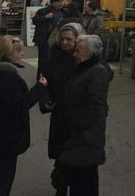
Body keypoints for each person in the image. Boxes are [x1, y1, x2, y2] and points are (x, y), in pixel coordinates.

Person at [0, 35, 48, 196]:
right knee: (3, 178)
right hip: (6, 137)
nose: (22, 54)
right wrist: (40, 87)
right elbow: (21, 105)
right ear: (8, 54)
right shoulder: (7, 79)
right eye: (19, 51)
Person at [57, 35, 110, 196]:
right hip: (78, 135)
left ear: (89, 53)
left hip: (86, 138)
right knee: (78, 180)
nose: (74, 54)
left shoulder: (96, 72)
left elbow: (96, 108)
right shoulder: (82, 68)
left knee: (85, 182)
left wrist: (78, 126)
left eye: (78, 51)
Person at [44, 23, 86, 196]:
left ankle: (74, 186)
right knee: (60, 153)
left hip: (78, 115)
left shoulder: (85, 58)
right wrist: (45, 99)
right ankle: (60, 187)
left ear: (78, 40)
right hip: (59, 113)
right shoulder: (54, 56)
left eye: (69, 39)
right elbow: (45, 80)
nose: (65, 42)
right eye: (62, 39)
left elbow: (103, 76)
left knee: (75, 155)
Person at [33, 0, 65, 78]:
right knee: (43, 61)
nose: (61, 4)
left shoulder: (64, 12)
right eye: (59, 2)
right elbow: (35, 20)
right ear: (53, 3)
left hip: (57, 41)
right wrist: (45, 17)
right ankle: (40, 78)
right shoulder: (43, 11)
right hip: (44, 40)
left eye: (61, 2)